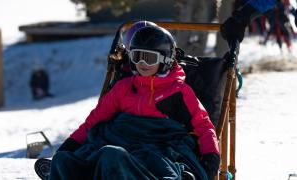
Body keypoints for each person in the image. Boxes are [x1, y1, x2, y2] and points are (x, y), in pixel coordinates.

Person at [49, 23, 220, 180]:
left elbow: (204, 127)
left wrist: (210, 160)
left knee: (111, 156)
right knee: (62, 161)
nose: (142, 63)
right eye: (137, 56)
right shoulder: (123, 87)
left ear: (165, 60)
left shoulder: (179, 91)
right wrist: (68, 146)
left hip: (157, 149)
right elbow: (94, 122)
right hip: (119, 139)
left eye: (149, 58)